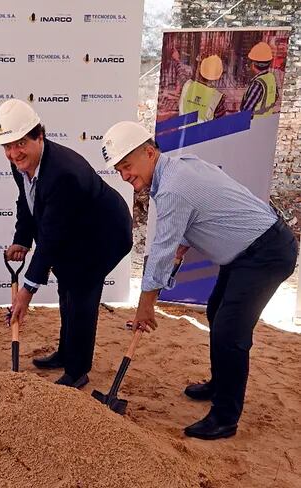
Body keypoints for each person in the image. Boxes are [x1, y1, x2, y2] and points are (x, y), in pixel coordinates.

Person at [102, 120, 298, 440]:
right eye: (119, 170)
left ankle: (224, 417)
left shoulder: (173, 188)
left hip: (266, 254)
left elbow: (161, 254)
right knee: (215, 311)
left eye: (127, 166)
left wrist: (145, 307)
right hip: (247, 251)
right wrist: (184, 239)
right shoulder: (180, 166)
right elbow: (207, 206)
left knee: (230, 332)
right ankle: (221, 383)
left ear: (149, 153)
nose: (124, 176)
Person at [0, 99, 132, 388]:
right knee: (66, 287)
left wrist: (27, 290)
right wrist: (22, 239)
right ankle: (66, 352)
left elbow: (52, 236)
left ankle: (77, 370)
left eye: (20, 143)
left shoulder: (63, 173)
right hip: (76, 230)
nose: (13, 152)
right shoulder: (21, 164)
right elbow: (28, 202)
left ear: (39, 136)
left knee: (81, 292)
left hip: (104, 234)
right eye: (7, 146)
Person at [179, 54, 227, 123]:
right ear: (218, 76)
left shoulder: (187, 85)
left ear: (200, 70)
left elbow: (181, 74)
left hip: (182, 132)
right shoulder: (218, 98)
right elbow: (220, 125)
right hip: (203, 133)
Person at [240, 41, 279, 118]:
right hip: (266, 121)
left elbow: (247, 111)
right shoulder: (271, 77)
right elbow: (276, 96)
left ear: (253, 64)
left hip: (255, 124)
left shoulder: (257, 83)